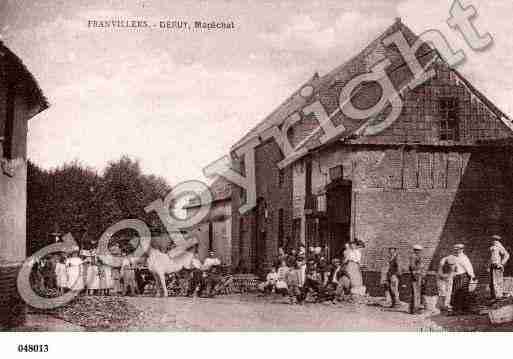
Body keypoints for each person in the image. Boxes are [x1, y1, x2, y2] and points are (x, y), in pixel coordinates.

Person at [450, 243, 475, 314]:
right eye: (456, 249)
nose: (456, 251)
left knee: (462, 292)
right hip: (457, 277)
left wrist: (472, 276)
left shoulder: (463, 258)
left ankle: (463, 309)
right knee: (457, 293)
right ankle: (458, 309)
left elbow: (468, 267)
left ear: (462, 250)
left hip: (463, 276)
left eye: (458, 249)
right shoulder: (455, 257)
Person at [489, 235, 509, 300]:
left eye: (495, 240)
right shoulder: (492, 247)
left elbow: (507, 255)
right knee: (492, 281)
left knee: (497, 281)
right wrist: (488, 265)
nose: (494, 241)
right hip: (492, 265)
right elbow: (491, 258)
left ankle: (498, 296)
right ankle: (494, 295)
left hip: (497, 265)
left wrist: (501, 264)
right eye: (493, 240)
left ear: (498, 241)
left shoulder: (499, 247)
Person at [408, 245, 424, 314]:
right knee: (415, 293)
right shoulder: (413, 257)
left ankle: (414, 309)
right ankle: (415, 309)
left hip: (418, 275)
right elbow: (412, 267)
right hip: (416, 276)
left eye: (419, 251)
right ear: (415, 250)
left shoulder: (417, 256)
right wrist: (415, 274)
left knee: (417, 293)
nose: (419, 252)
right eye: (418, 250)